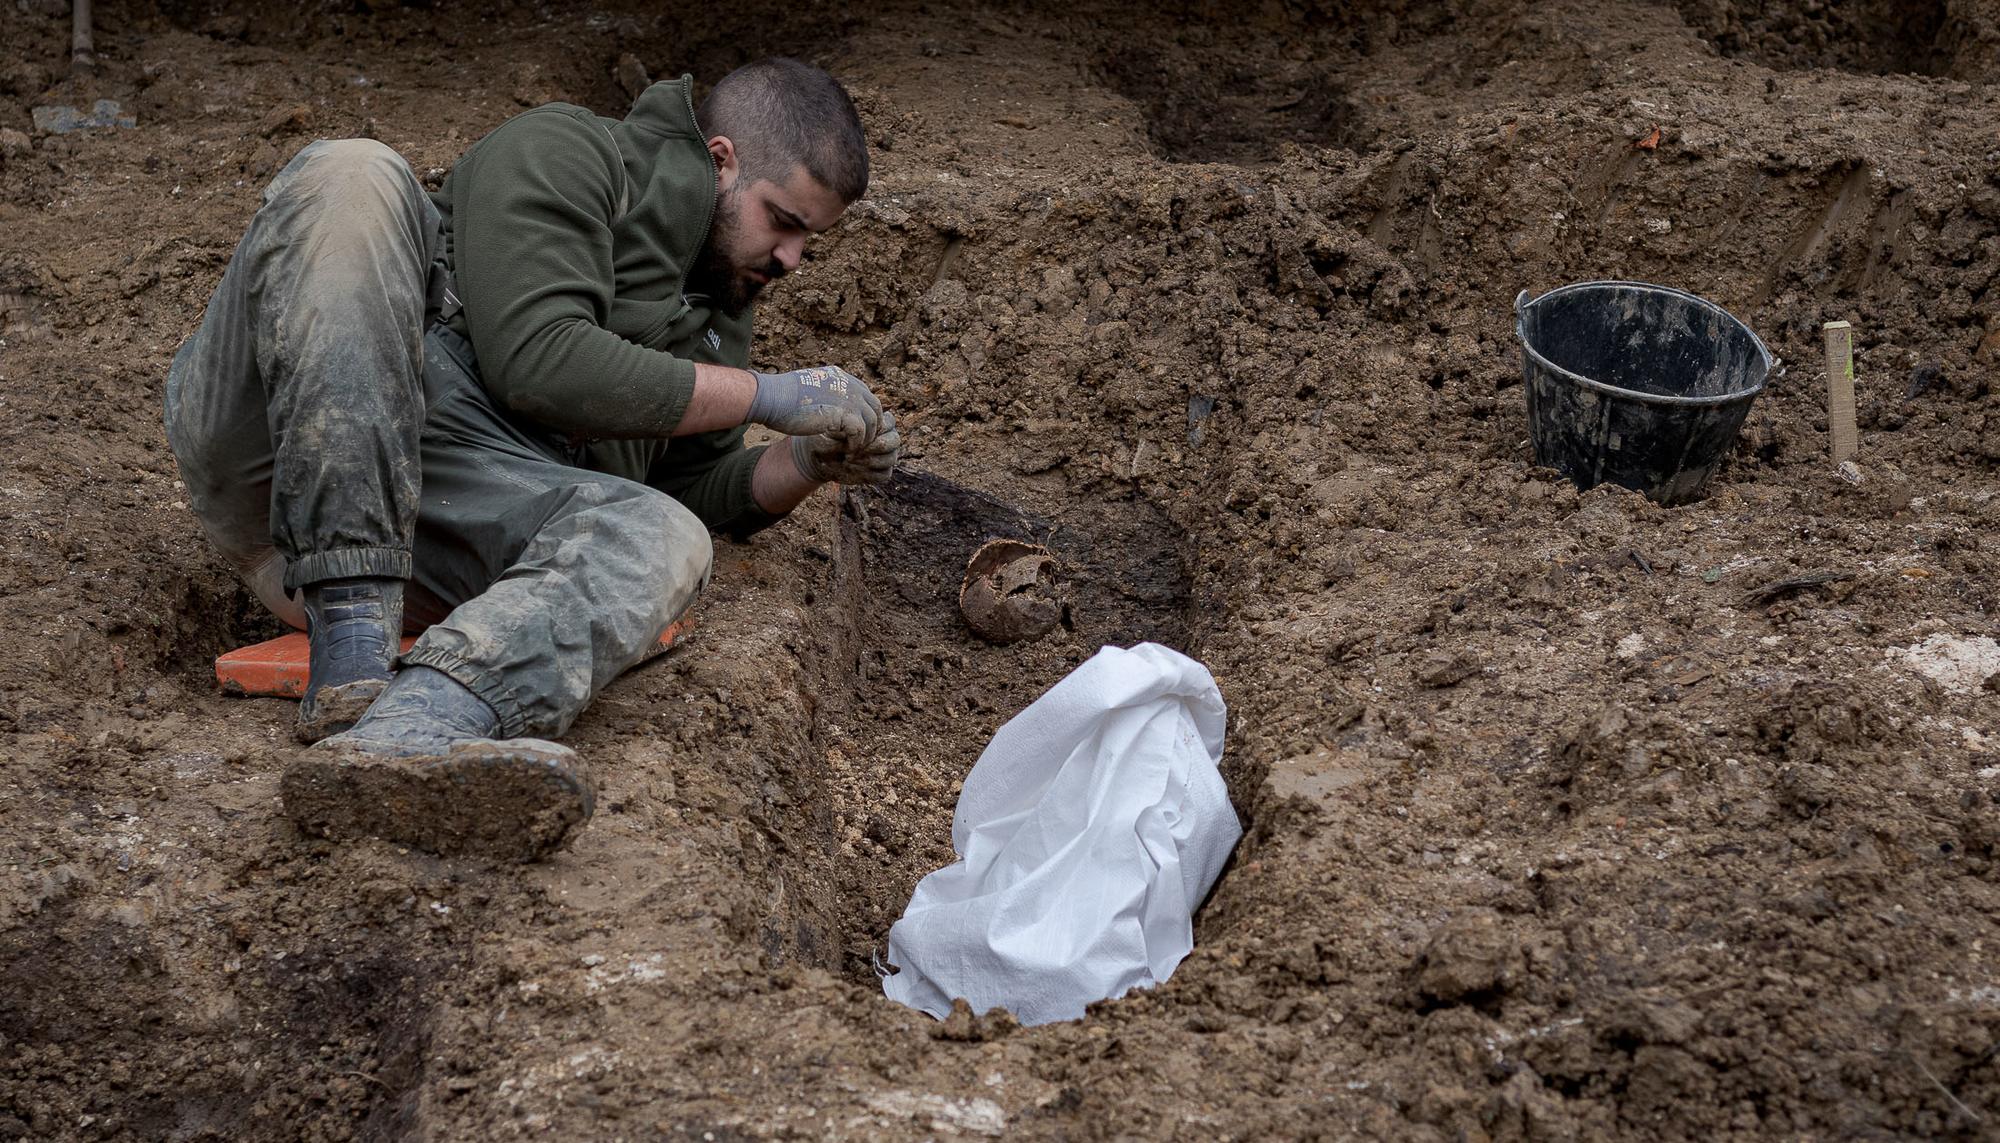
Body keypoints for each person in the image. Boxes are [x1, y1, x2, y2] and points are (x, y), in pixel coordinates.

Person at [163, 58, 898, 861]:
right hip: (292, 439)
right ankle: (350, 649)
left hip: (453, 523)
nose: (791, 257)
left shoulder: (716, 313)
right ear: (722, 161)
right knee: (353, 173)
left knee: (667, 536)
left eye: (807, 240)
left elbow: (690, 488)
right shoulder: (571, 154)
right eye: (782, 220)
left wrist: (802, 458)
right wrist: (761, 393)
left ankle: (410, 733)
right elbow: (537, 359)